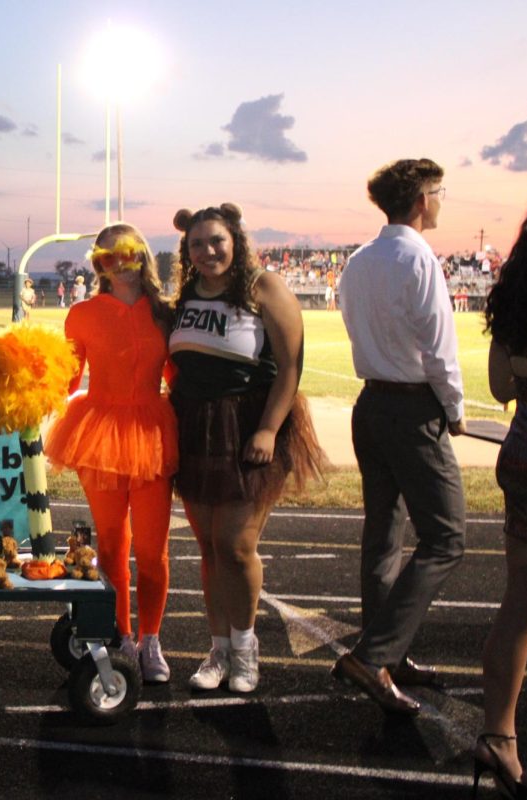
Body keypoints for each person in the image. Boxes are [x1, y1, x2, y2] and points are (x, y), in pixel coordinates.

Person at [169, 203, 323, 694]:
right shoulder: (187, 294)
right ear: (186, 251)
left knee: (237, 546)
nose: (208, 250)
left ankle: (245, 647)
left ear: (235, 238)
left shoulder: (263, 287)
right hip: (193, 424)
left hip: (246, 424)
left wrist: (269, 430)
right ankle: (217, 650)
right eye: (197, 243)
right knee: (209, 548)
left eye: (216, 240)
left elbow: (292, 366)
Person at [333, 158, 465, 716]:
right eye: (439, 192)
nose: (442, 201)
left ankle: (390, 652)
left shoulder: (359, 261)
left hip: (371, 405)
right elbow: (439, 347)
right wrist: (454, 407)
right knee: (446, 536)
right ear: (420, 199)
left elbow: (350, 321)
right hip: (412, 410)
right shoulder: (418, 258)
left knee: (384, 535)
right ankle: (376, 653)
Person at [44, 223, 178, 681]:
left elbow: (182, 378)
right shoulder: (81, 314)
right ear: (98, 264)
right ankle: (122, 636)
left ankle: (152, 640)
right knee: (111, 545)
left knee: (154, 549)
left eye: (125, 253)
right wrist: (29, 392)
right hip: (98, 432)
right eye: (105, 257)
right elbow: (65, 377)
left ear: (142, 254)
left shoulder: (166, 313)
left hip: (152, 434)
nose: (117, 264)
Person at [476, 201, 527, 798]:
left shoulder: (517, 300)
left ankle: (499, 735)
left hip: (523, 451)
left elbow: (498, 388)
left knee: (519, 605)